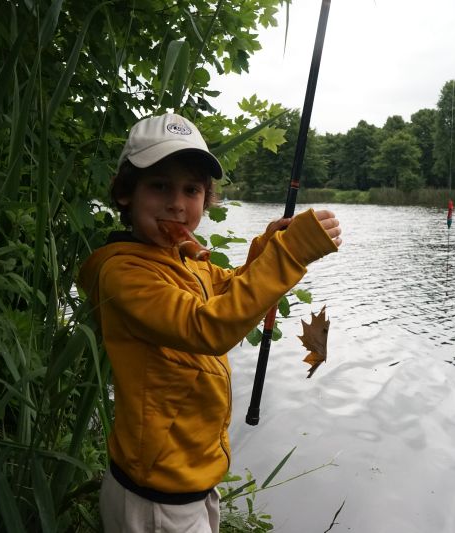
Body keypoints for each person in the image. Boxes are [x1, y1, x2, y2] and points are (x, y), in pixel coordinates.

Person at [78, 112, 342, 533]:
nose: (177, 204)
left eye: (192, 190)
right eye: (159, 186)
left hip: (193, 483)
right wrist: (290, 255)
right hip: (156, 497)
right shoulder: (125, 274)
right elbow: (208, 327)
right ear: (126, 192)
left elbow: (228, 290)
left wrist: (267, 249)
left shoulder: (185, 260)